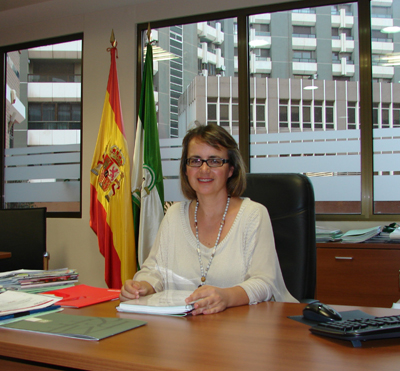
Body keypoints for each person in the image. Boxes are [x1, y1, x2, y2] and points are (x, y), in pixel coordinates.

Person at [120, 123, 297, 315]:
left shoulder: (253, 215)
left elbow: (265, 283)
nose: (204, 169)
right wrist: (143, 285)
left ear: (231, 169)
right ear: (186, 169)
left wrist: (227, 297)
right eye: (195, 160)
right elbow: (154, 270)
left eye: (214, 161)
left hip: (244, 331)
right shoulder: (173, 215)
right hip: (185, 331)